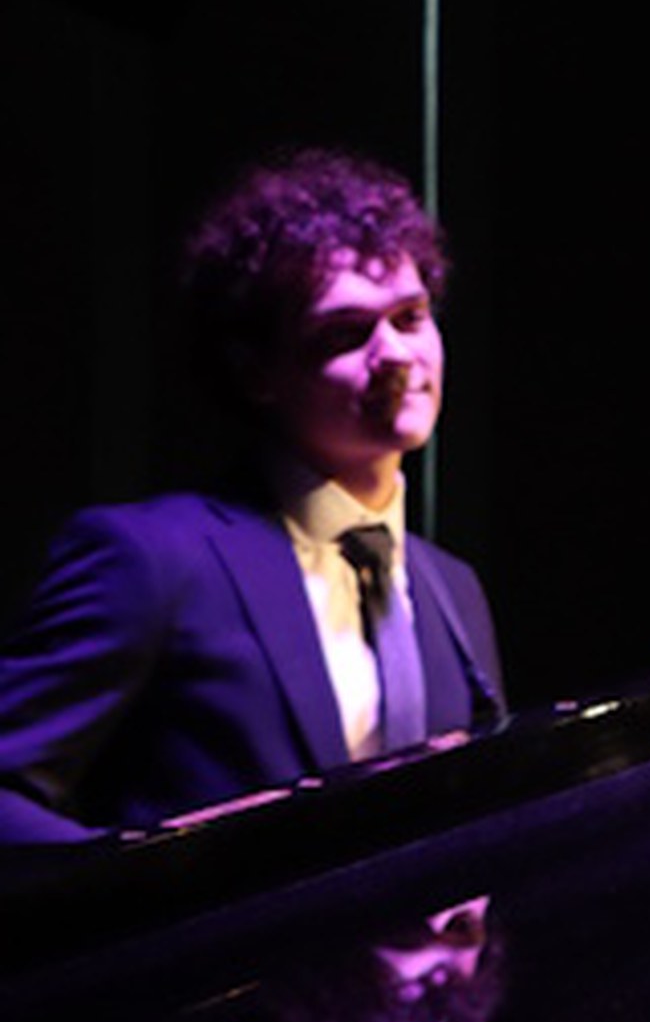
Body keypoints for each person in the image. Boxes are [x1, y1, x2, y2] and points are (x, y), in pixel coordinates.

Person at [0, 146, 504, 837]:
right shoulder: (152, 560)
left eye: (411, 317)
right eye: (345, 333)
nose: (394, 354)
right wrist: (157, 870)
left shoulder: (452, 589)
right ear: (257, 371)